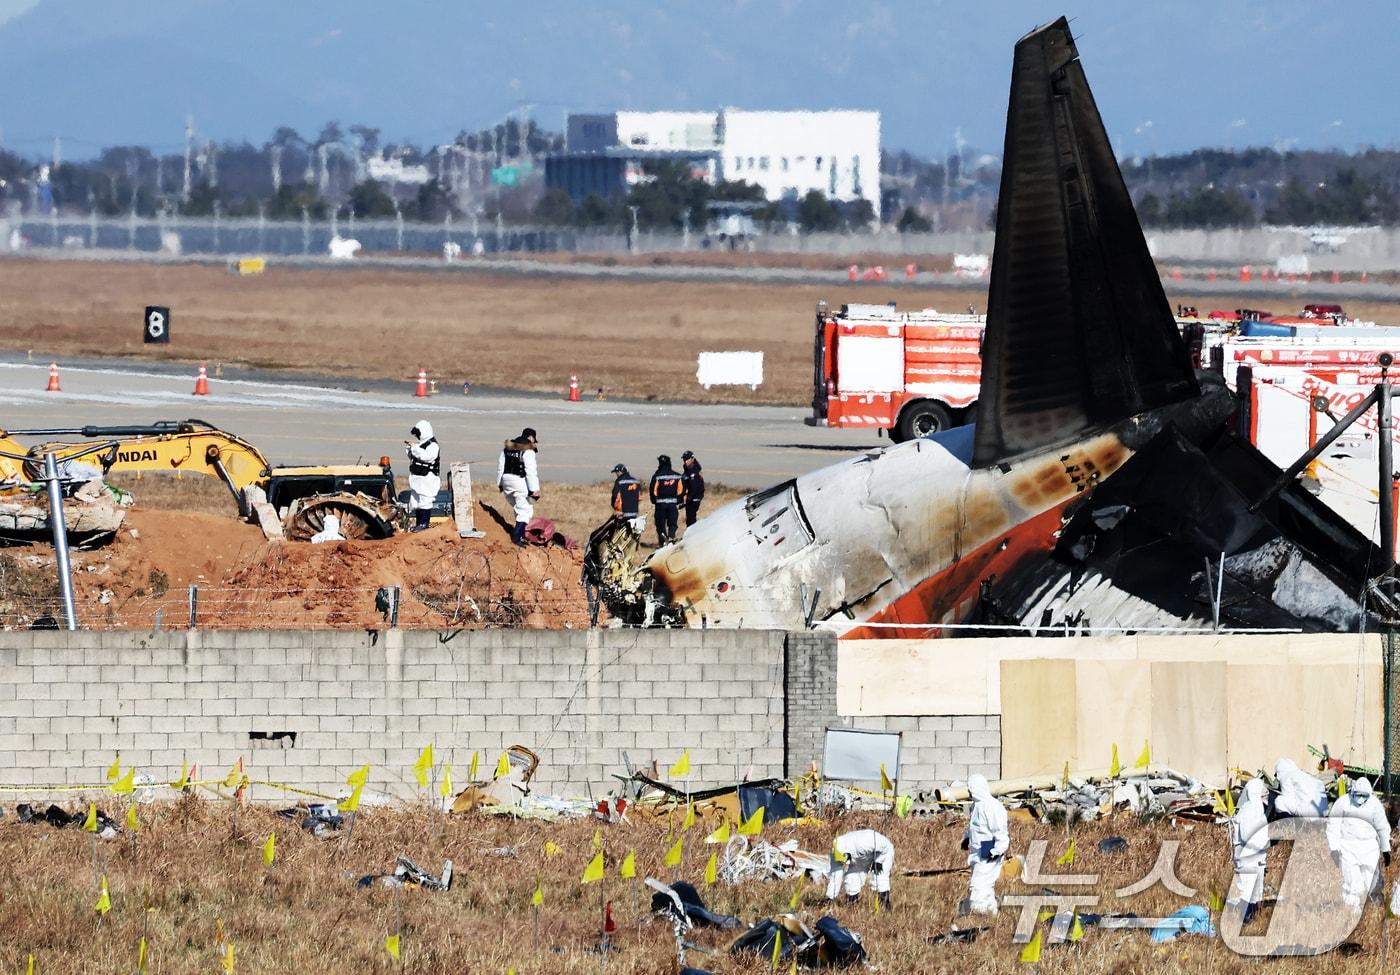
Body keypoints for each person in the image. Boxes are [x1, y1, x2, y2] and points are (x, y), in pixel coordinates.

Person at [1326, 776, 1391, 908]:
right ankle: (1351, 912)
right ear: (1352, 792)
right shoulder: (1342, 803)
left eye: (1364, 795)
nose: (1360, 798)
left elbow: (1382, 827)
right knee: (1352, 882)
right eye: (1358, 795)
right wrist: (1334, 849)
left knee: (1372, 880)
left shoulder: (1375, 805)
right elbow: (1333, 826)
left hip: (1369, 847)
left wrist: (1385, 849)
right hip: (1347, 847)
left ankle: (1375, 908)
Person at [963, 773, 1009, 914]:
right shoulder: (976, 806)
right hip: (978, 851)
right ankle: (991, 913)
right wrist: (967, 839)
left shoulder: (992, 807)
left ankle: (979, 915)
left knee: (978, 885)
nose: (969, 792)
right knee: (986, 885)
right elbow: (976, 828)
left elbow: (1001, 832)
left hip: (989, 850)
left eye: (971, 788)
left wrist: (996, 850)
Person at [1228, 778, 1269, 923]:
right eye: (1262, 793)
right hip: (1247, 857)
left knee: (1256, 892)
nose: (1265, 796)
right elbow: (1247, 835)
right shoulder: (1248, 810)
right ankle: (1244, 921)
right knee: (1246, 890)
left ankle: (1252, 920)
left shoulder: (1257, 809)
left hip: (1256, 858)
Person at [824, 828, 894, 910]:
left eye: (845, 860)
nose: (844, 863)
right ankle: (852, 906)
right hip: (858, 858)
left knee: (879, 877)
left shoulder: (866, 841)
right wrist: (830, 898)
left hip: (882, 853)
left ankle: (885, 907)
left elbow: (885, 847)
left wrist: (878, 861)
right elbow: (835, 876)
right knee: (851, 878)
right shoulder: (835, 853)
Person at [497, 428, 540, 547]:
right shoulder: (528, 450)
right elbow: (531, 471)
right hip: (519, 482)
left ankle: (521, 534)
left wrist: (500, 483)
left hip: (506, 481)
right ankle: (516, 538)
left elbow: (501, 466)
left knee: (518, 507)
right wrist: (534, 489)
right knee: (526, 510)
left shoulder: (508, 448)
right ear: (531, 438)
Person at [404, 420, 441, 533]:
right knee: (416, 502)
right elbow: (415, 457)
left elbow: (427, 457)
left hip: (427, 479)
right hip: (418, 478)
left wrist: (415, 448)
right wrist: (410, 449)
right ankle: (418, 524)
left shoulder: (433, 445)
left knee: (425, 501)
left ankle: (424, 524)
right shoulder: (421, 445)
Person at [649, 454, 686, 546]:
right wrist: (678, 501)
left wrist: (655, 501)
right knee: (672, 524)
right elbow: (681, 490)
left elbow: (653, 491)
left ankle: (663, 542)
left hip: (660, 505)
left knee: (660, 524)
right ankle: (670, 539)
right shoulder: (677, 476)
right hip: (672, 504)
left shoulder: (657, 476)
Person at [610, 464, 643, 532]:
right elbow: (640, 497)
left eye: (617, 472)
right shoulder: (635, 481)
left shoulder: (619, 482)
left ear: (621, 471)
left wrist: (615, 508)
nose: (616, 474)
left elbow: (615, 496)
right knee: (631, 530)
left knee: (620, 531)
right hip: (634, 512)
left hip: (622, 512)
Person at [681, 450, 705, 530]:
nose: (685, 461)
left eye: (687, 459)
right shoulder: (688, 470)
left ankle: (692, 535)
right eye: (684, 459)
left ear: (692, 459)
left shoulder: (693, 471)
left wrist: (689, 498)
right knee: (689, 519)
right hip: (690, 499)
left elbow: (694, 487)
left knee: (691, 519)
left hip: (693, 499)